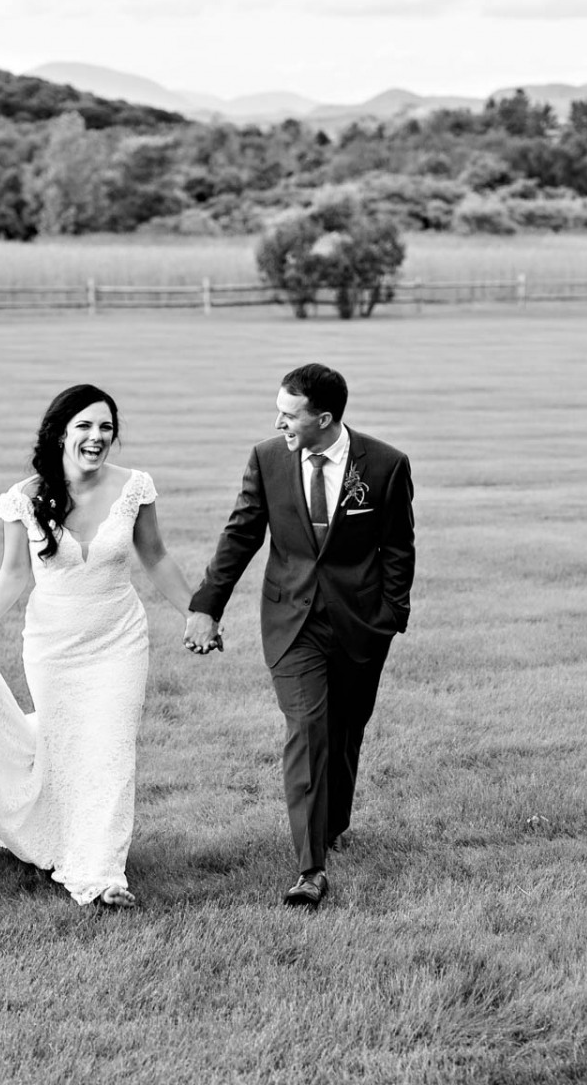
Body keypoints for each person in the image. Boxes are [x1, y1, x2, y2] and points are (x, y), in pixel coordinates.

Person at [0, 384, 198, 907]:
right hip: (54, 648)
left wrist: (197, 614)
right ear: (60, 433)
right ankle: (51, 834)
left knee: (111, 750)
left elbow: (157, 557)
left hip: (119, 639)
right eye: (85, 427)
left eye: (105, 427)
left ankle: (100, 875)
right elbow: (12, 574)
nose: (97, 437)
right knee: (68, 749)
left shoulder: (135, 487)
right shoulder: (24, 497)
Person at [184, 363, 415, 908]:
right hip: (292, 622)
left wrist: (390, 616)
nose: (279, 422)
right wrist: (205, 608)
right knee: (307, 729)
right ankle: (311, 869)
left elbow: (399, 547)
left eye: (290, 415)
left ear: (325, 418)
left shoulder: (385, 465)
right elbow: (240, 534)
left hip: (361, 624)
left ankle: (331, 823)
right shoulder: (268, 459)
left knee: (345, 729)